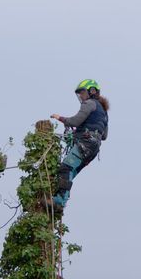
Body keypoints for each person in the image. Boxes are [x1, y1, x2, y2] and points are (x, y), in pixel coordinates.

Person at [49, 79, 109, 209]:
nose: (81, 96)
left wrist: (60, 118)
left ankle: (59, 202)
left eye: (82, 93)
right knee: (70, 172)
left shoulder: (89, 103)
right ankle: (60, 200)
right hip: (93, 148)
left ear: (92, 91)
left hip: (85, 144)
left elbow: (75, 121)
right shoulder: (103, 112)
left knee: (66, 168)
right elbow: (104, 136)